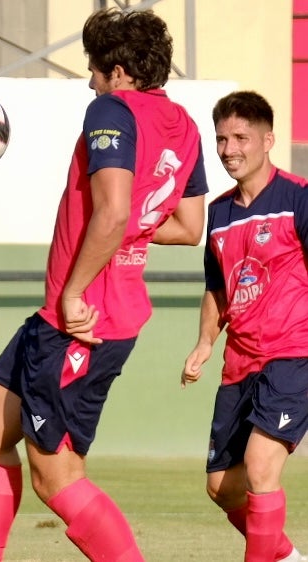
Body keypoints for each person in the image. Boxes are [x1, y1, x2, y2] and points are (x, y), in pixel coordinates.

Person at [0, 8, 209, 561]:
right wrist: (125, 236)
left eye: (95, 69)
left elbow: (115, 210)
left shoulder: (112, 110)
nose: (90, 81)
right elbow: (189, 226)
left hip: (82, 319)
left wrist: (75, 290)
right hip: (69, 316)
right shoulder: (186, 126)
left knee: (56, 475)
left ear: (118, 71)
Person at [182, 91, 308, 562]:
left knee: (260, 467)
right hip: (240, 363)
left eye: (241, 137)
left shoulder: (299, 198)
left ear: (268, 140)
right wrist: (204, 343)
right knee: (222, 488)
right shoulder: (218, 213)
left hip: (293, 354)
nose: (229, 149)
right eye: (220, 139)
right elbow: (217, 289)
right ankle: (288, 557)